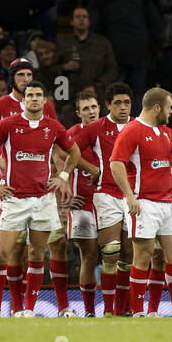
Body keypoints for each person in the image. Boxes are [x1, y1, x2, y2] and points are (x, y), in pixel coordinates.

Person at [0, 81, 81, 317]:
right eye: (30, 95)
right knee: (2, 253)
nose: (34, 99)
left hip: (43, 199)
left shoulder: (53, 127)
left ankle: (29, 310)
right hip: (14, 199)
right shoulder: (8, 124)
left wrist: (63, 177)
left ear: (45, 101)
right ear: (23, 100)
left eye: (39, 95)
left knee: (36, 254)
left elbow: (74, 152)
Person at [108, 88, 172, 316]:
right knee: (144, 255)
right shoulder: (132, 131)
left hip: (167, 204)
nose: (171, 111)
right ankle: (138, 311)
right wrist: (129, 196)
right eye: (169, 107)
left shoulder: (166, 133)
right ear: (157, 107)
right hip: (143, 203)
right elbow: (116, 163)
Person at [63, 91, 104, 316]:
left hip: (110, 202)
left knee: (114, 255)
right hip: (83, 205)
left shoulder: (111, 131)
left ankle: (116, 307)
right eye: (85, 109)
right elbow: (59, 159)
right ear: (78, 113)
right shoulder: (72, 134)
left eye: (94, 107)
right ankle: (89, 311)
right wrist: (66, 189)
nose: (91, 112)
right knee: (89, 256)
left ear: (100, 108)